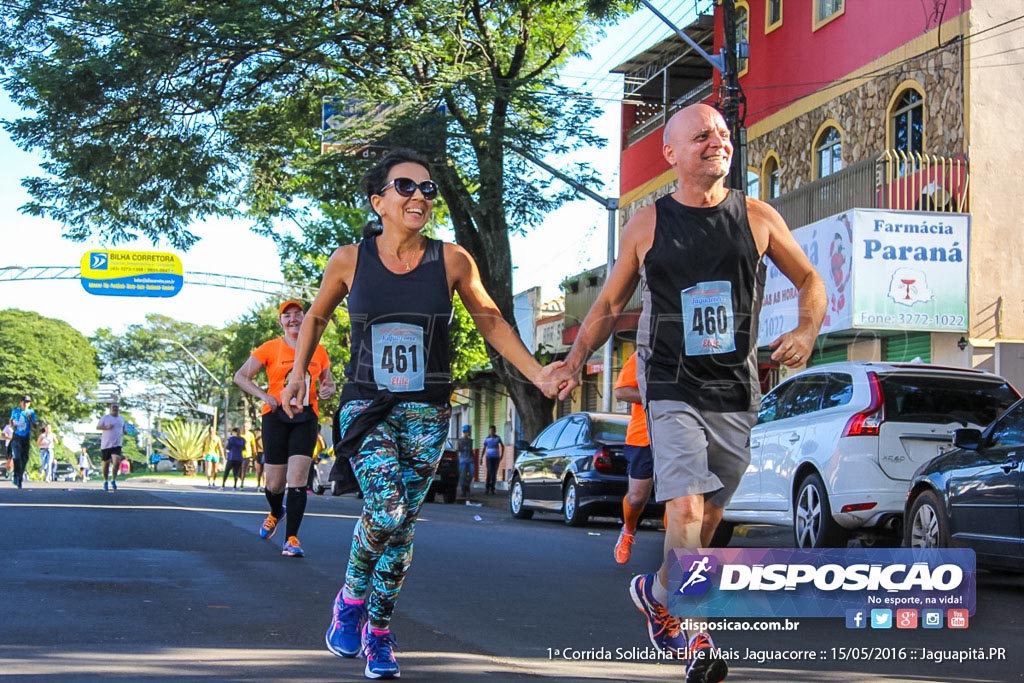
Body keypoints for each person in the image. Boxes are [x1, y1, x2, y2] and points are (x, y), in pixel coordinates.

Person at [546, 104, 825, 682]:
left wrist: (805, 329)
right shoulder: (647, 224)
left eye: (722, 134)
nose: (716, 142)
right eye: (701, 136)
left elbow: (810, 280)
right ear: (671, 153)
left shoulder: (757, 216)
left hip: (736, 388)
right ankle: (698, 632)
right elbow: (608, 305)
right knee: (685, 506)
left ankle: (655, 592)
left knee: (708, 519)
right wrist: (573, 361)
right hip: (670, 382)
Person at [280, 148, 558, 680]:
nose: (419, 197)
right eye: (405, 187)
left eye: (428, 190)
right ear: (378, 200)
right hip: (366, 404)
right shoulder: (349, 259)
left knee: (403, 525)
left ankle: (379, 634)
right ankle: (351, 598)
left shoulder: (451, 260)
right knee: (387, 510)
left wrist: (537, 373)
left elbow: (492, 321)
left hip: (427, 411)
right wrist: (298, 374)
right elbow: (315, 316)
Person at [234, 299, 336, 558]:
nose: (293, 319)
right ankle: (276, 511)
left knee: (298, 479)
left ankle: (292, 538)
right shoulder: (270, 348)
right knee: (275, 483)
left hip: (306, 417)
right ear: (280, 321)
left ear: (304, 318)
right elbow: (240, 377)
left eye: (297, 314)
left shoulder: (319, 350)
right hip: (276, 416)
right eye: (287, 315)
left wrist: (327, 390)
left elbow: (329, 383)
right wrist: (264, 396)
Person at [613, 351, 655, 564]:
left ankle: (677, 553)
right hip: (644, 437)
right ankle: (628, 530)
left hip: (682, 438)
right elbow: (621, 391)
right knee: (637, 497)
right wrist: (660, 397)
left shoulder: (697, 351)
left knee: (680, 500)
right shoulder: (644, 354)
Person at [96, 403, 127, 491]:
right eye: (113, 407)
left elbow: (123, 428)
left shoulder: (121, 418)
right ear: (110, 409)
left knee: (116, 462)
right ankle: (105, 481)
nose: (114, 409)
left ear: (118, 409)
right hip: (106, 444)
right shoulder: (105, 418)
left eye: (116, 407)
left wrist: (125, 432)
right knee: (106, 464)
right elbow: (97, 427)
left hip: (117, 444)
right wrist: (106, 427)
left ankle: (113, 479)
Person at [10, 396, 37, 488]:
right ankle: (16, 477)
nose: (26, 404)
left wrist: (30, 419)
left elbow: (35, 426)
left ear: (29, 403)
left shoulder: (31, 412)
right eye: (24, 402)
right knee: (17, 457)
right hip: (16, 436)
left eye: (28, 402)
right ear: (21, 402)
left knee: (24, 458)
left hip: (26, 437)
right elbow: (11, 420)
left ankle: (19, 477)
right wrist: (12, 425)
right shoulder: (15, 411)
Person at [482, 425, 504, 495]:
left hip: (496, 457)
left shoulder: (498, 438)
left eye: (493, 430)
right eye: (490, 430)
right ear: (489, 431)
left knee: (494, 473)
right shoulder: (487, 438)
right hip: (489, 457)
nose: (492, 432)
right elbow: (484, 448)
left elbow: (502, 446)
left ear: (495, 431)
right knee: (489, 472)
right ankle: (487, 488)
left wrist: (501, 455)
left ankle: (492, 488)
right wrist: (481, 457)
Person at [456, 424, 474, 498]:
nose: (468, 433)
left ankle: (467, 486)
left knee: (472, 474)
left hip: (470, 460)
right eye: (467, 432)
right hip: (463, 460)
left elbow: (471, 450)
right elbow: (457, 449)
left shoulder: (470, 441)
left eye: (469, 432)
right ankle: (464, 490)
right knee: (462, 476)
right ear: (464, 432)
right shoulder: (460, 441)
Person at [239, 421, 256, 491]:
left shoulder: (251, 435)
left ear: (248, 428)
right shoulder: (239, 435)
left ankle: (242, 484)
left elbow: (253, 445)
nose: (244, 428)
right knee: (238, 470)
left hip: (247, 455)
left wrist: (254, 454)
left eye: (246, 427)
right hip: (238, 455)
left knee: (243, 469)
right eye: (243, 426)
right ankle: (240, 477)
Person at [252, 427, 266, 492]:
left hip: (260, 453)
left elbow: (255, 445)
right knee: (262, 471)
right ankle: (262, 485)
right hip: (263, 453)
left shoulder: (258, 436)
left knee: (260, 471)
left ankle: (260, 485)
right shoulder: (264, 435)